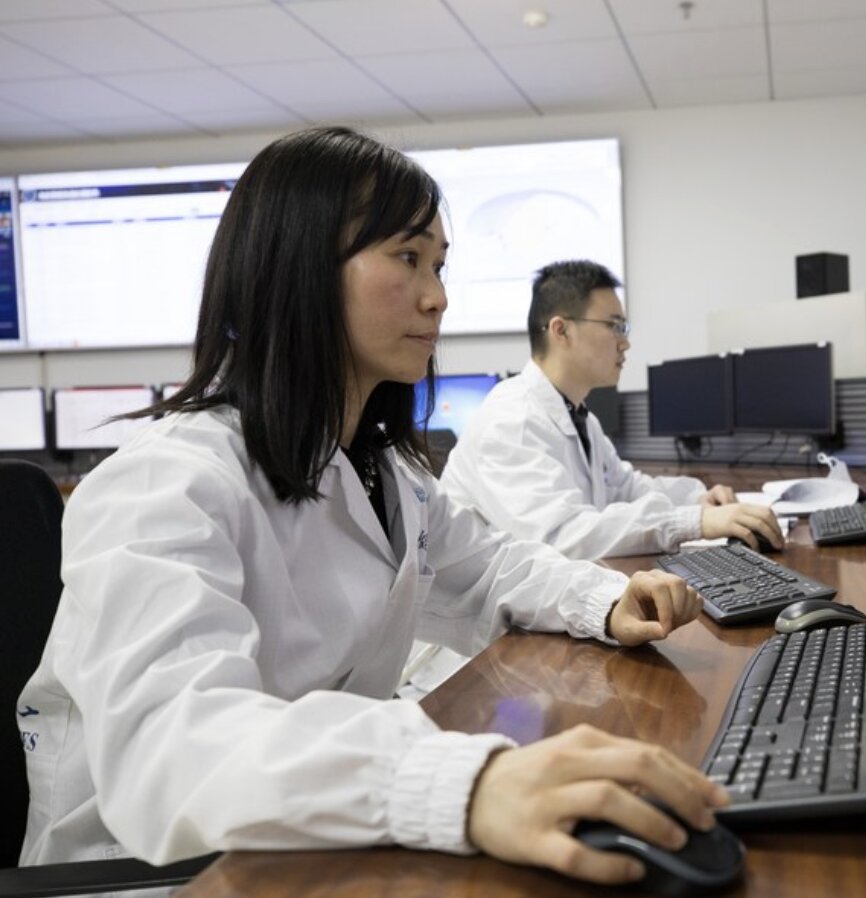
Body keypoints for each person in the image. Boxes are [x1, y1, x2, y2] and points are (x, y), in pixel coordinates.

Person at [17, 127, 727, 887]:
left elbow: (489, 568)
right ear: (299, 270)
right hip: (157, 866)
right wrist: (461, 784)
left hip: (312, 826)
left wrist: (609, 598)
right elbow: (175, 746)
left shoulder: (384, 469)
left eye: (441, 265)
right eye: (408, 257)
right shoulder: (164, 482)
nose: (439, 295)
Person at [439, 259, 784, 560]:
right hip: (482, 630)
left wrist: (699, 499)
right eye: (614, 326)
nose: (625, 341)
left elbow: (626, 487)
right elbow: (561, 537)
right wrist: (693, 522)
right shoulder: (512, 419)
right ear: (561, 330)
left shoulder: (580, 418)